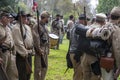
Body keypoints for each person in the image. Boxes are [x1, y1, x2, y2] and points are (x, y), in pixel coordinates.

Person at [12, 11, 33, 80]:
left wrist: (31, 51)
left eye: (25, 16)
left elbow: (30, 40)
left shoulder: (27, 27)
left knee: (28, 74)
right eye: (23, 16)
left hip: (29, 53)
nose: (25, 18)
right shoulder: (16, 28)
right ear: (19, 18)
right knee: (22, 75)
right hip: (22, 55)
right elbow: (18, 42)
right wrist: (24, 53)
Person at [0, 11, 18, 80]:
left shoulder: (8, 27)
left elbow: (12, 40)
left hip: (10, 53)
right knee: (2, 75)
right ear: (3, 18)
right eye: (7, 18)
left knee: (12, 75)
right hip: (2, 53)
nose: (9, 19)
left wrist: (14, 52)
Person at [33, 11, 50, 80]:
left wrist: (48, 49)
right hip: (40, 49)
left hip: (45, 48)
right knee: (37, 68)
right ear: (44, 18)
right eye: (47, 18)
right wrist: (38, 49)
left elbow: (47, 38)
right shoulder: (36, 26)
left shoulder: (45, 27)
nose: (48, 19)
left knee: (44, 67)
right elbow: (35, 38)